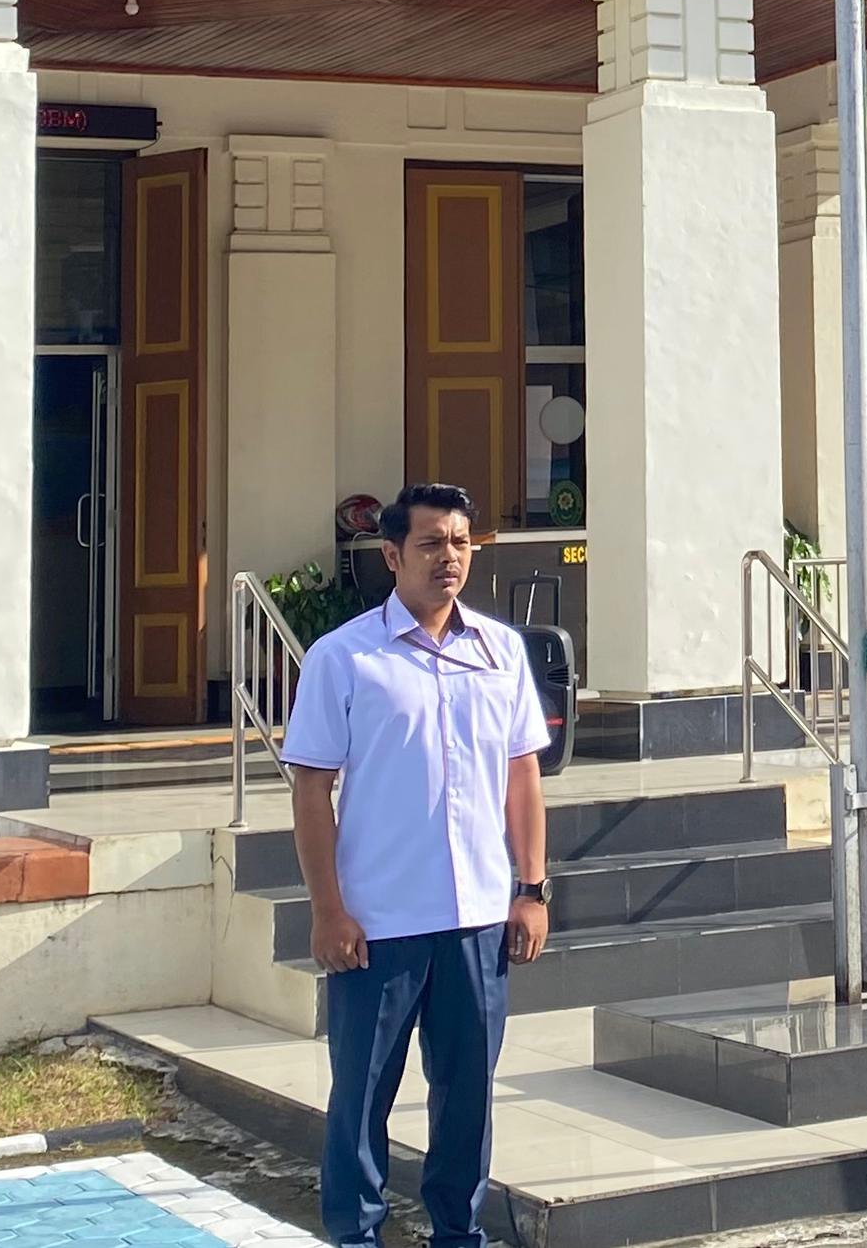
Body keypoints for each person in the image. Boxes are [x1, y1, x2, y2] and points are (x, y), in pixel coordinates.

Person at [282, 484, 556, 1248]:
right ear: (393, 555)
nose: (450, 558)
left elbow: (522, 776)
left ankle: (456, 1235)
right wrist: (328, 910)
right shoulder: (344, 659)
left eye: (461, 543)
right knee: (362, 1099)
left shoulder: (500, 651)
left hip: (475, 922)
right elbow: (311, 789)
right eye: (432, 543)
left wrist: (530, 890)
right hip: (378, 924)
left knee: (466, 1100)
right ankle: (355, 1235)